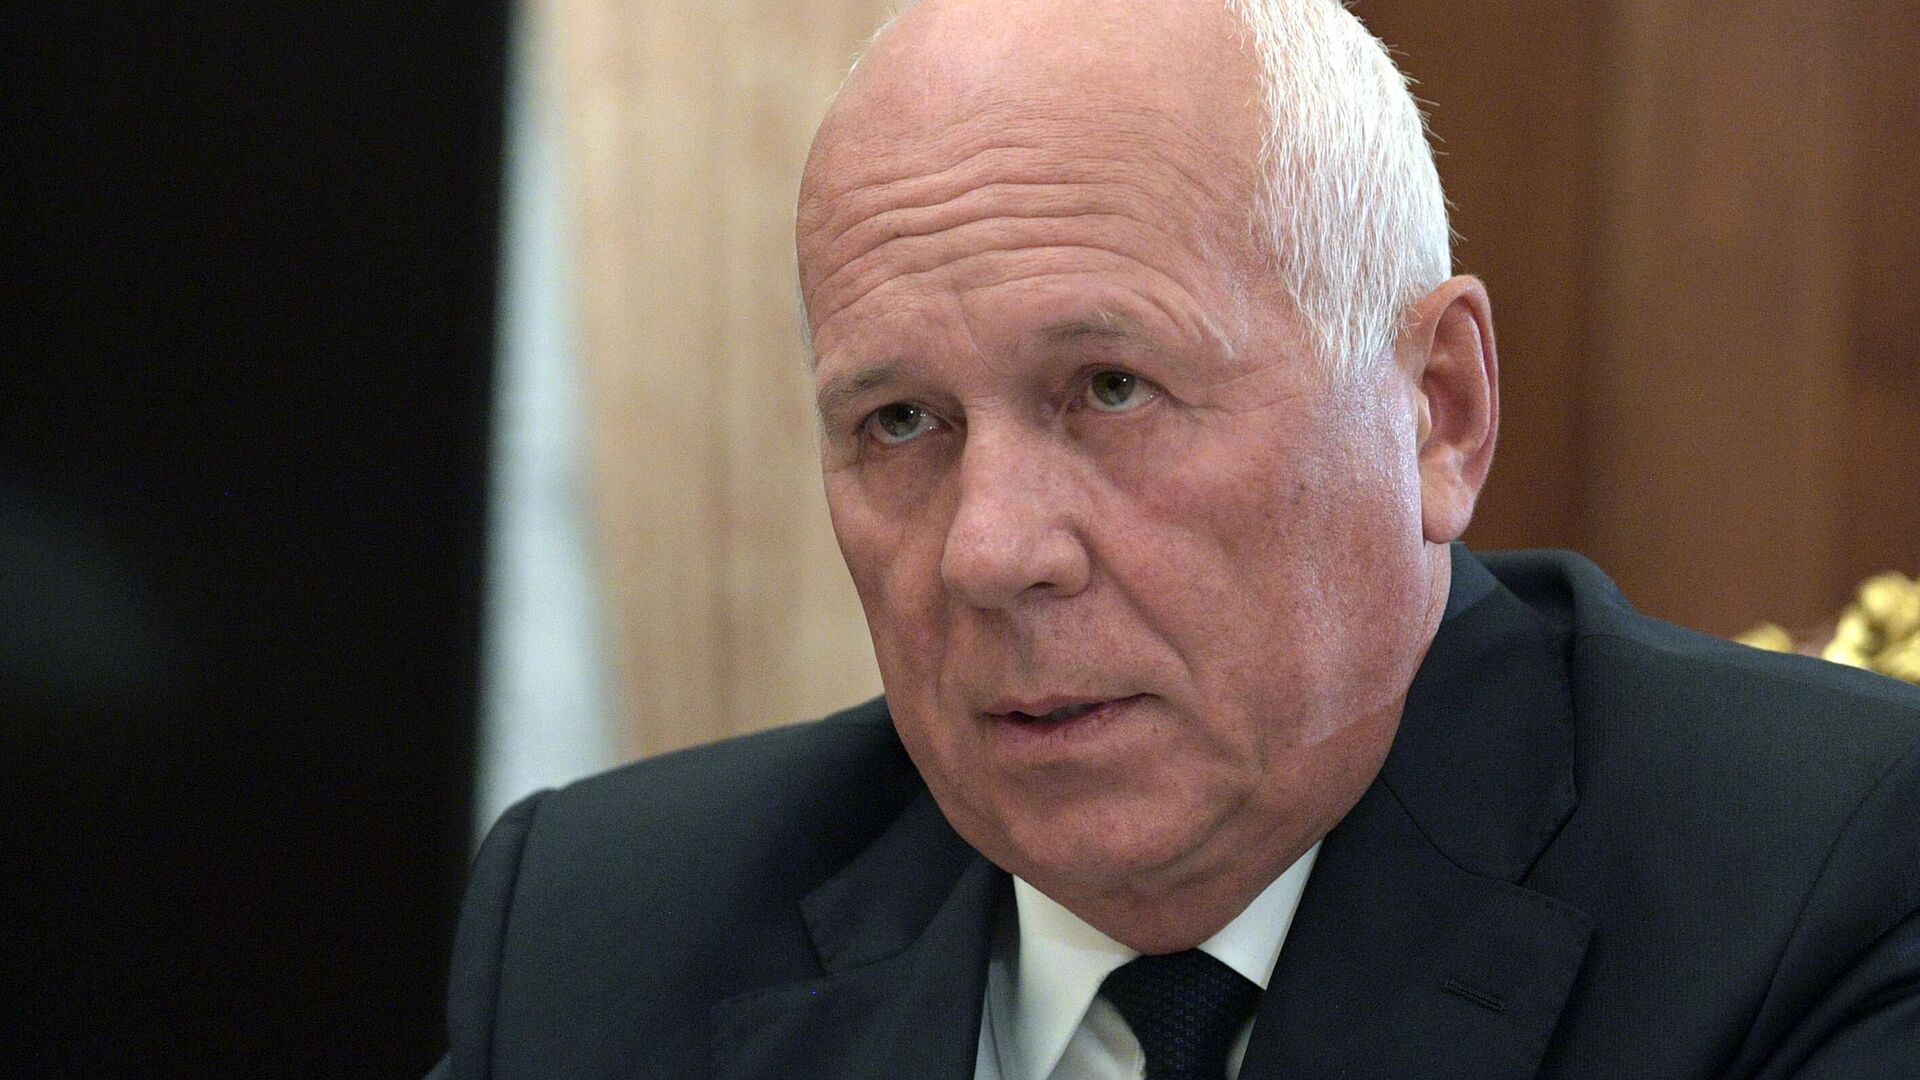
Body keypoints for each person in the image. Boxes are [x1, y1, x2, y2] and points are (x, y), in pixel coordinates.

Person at [428, 1, 1920, 1076]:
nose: (989, 552)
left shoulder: (1823, 881)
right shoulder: (602, 935)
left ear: (1436, 412)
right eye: (901, 421)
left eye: (1112, 389)